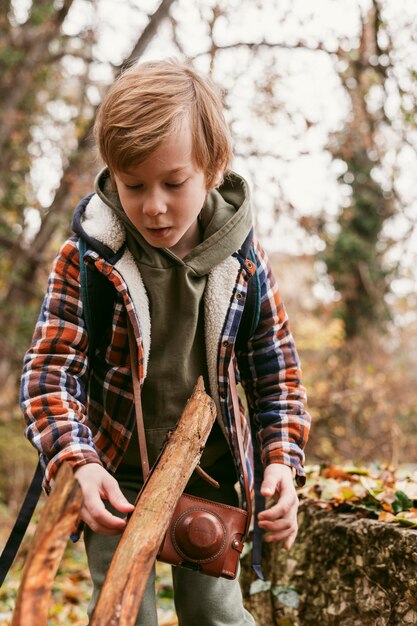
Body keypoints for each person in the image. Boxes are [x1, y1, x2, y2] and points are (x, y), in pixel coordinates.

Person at [20, 58, 311, 626]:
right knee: (124, 616)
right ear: (111, 174)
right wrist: (77, 462)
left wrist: (281, 460)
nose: (154, 206)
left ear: (212, 168)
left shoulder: (245, 268)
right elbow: (47, 373)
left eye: (174, 184)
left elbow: (277, 376)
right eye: (134, 186)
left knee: (215, 615)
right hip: (115, 477)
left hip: (213, 471)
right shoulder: (88, 261)